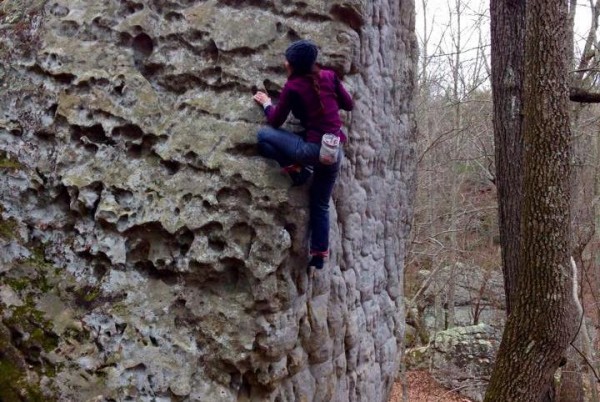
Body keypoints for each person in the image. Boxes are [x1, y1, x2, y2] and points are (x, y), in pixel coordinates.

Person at [253, 39, 354, 270]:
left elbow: (276, 121)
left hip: (311, 151)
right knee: (320, 203)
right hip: (334, 150)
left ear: (293, 66)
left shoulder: (293, 86)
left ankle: (297, 170)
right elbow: (348, 105)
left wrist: (268, 103)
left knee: (263, 137)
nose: (285, 63)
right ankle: (319, 254)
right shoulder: (329, 76)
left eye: (287, 61)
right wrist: (328, 103)